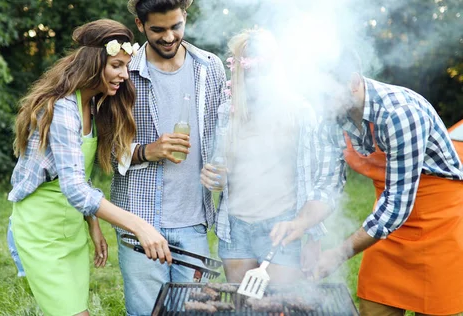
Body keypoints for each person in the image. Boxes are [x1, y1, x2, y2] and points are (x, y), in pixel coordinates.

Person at [7, 19, 172, 316]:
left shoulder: (93, 105)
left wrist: (92, 224)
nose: (124, 75)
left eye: (126, 66)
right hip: (42, 231)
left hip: (70, 228)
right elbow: (74, 189)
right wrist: (139, 225)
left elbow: (76, 175)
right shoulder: (62, 110)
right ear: (95, 64)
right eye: (117, 65)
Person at [299, 50, 463, 316]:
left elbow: (398, 204)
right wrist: (305, 228)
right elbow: (327, 186)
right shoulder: (332, 117)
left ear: (353, 83)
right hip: (387, 221)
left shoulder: (401, 113)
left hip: (438, 221)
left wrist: (339, 252)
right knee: (374, 308)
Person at [110, 1, 227, 315]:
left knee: (195, 311)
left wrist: (222, 169)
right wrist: (149, 151)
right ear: (139, 24)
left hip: (194, 221)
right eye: (157, 29)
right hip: (140, 220)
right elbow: (105, 152)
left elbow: (223, 135)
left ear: (185, 17)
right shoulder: (124, 70)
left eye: (176, 26)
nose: (168, 37)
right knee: (148, 312)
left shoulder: (209, 66)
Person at [199, 29, 334, 284]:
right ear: (239, 70)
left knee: (277, 307)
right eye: (249, 70)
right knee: (242, 307)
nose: (255, 78)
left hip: (282, 228)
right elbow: (220, 171)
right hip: (235, 229)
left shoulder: (299, 111)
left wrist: (314, 238)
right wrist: (214, 179)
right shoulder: (228, 111)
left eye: (262, 69)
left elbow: (314, 181)